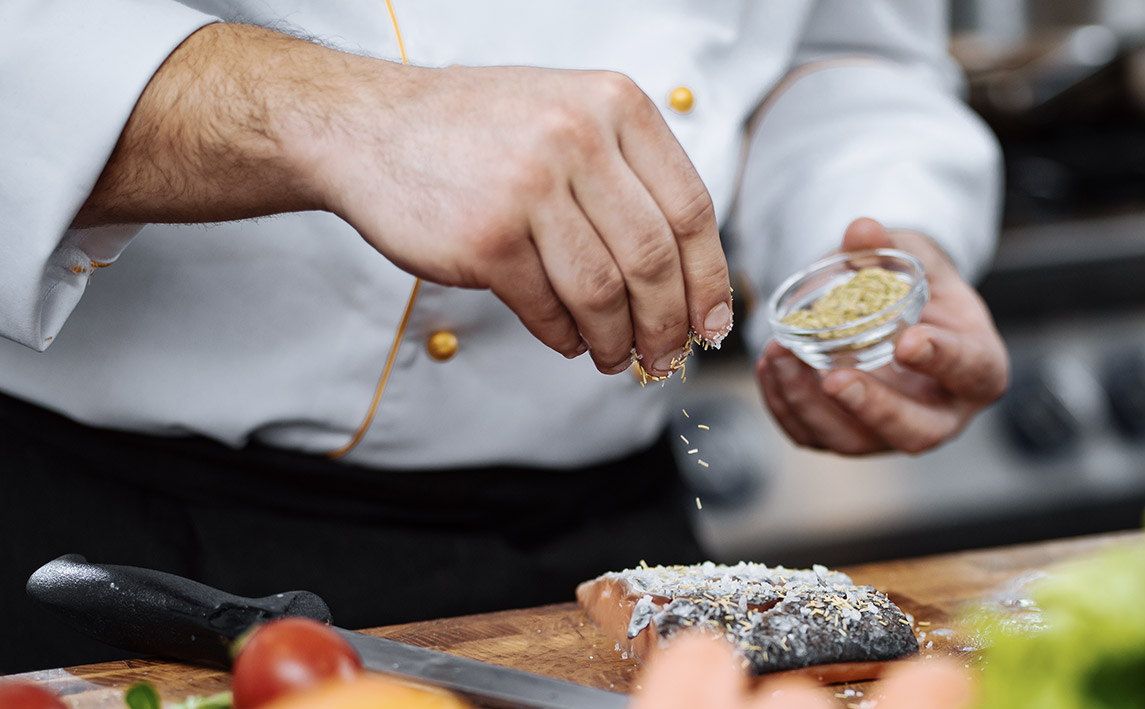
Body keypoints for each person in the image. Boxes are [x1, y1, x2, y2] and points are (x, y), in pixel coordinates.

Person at [0, 1, 1008, 673]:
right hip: (140, 553)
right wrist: (335, 112)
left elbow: (844, 52)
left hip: (620, 556)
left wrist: (869, 241)